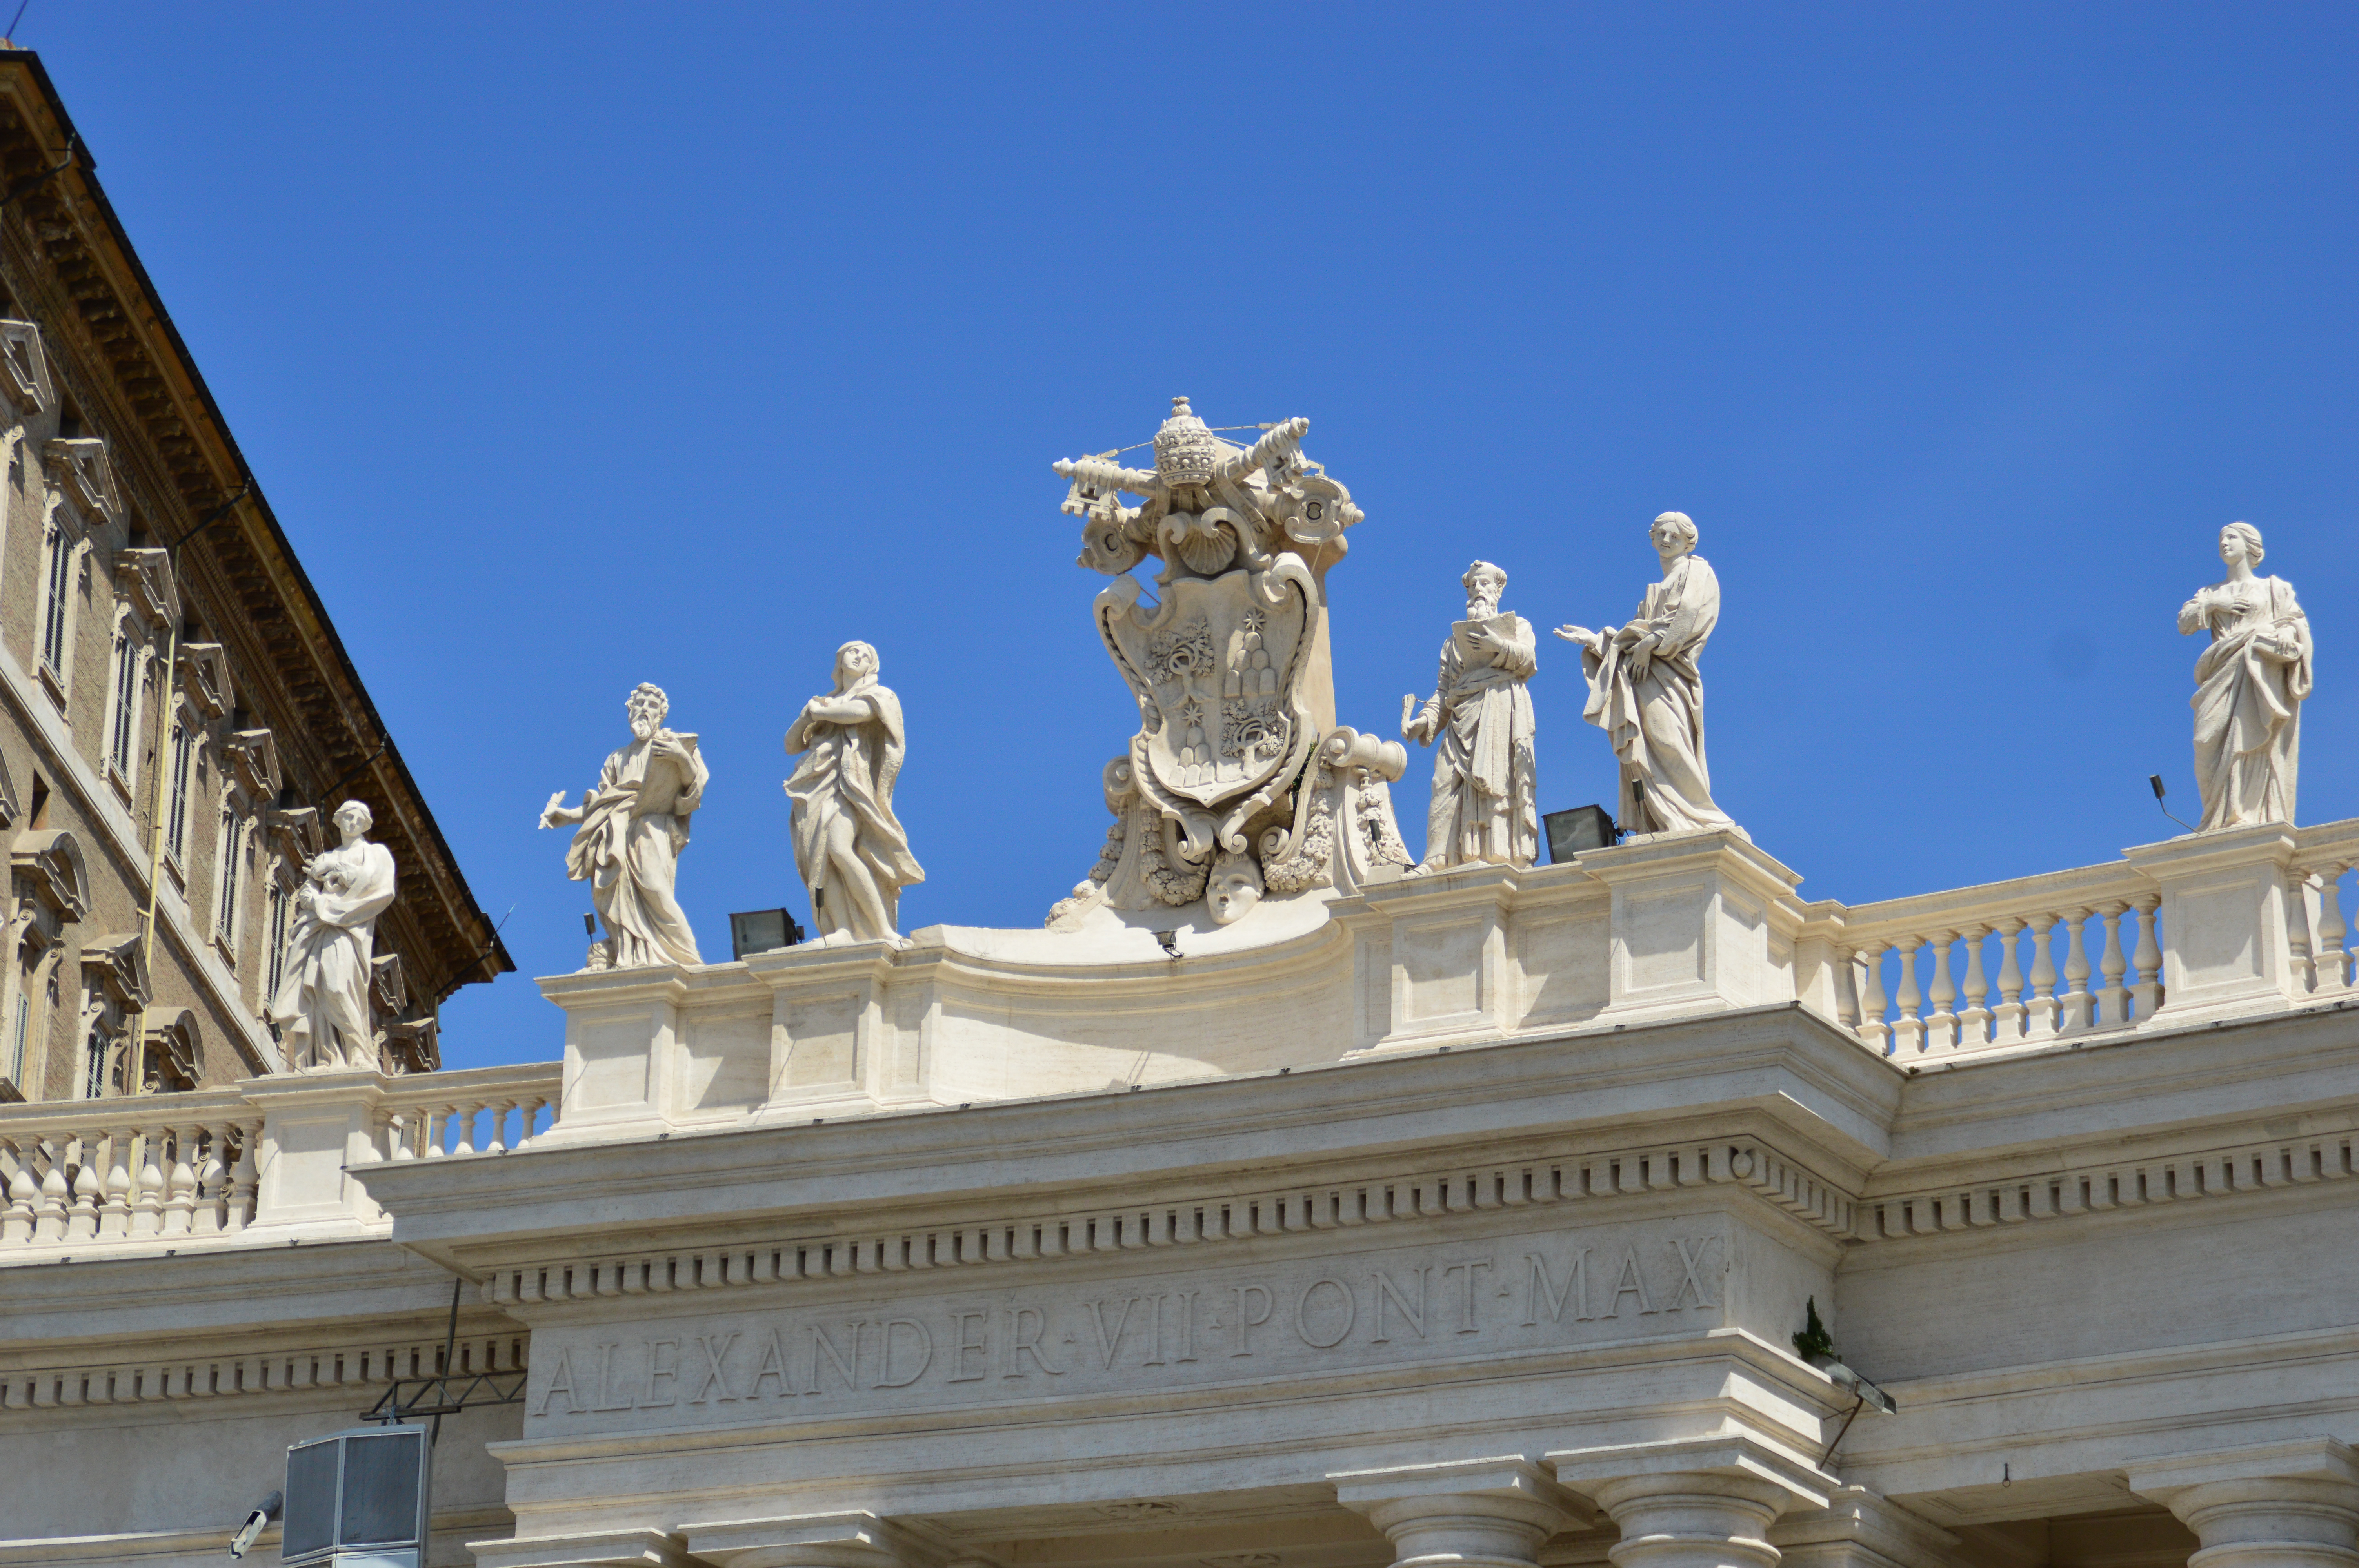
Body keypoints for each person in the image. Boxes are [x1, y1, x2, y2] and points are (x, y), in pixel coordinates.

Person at [1555, 512, 1742, 838]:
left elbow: (1689, 618)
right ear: (1653, 539)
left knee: (1669, 740)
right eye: (1661, 535)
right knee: (1648, 745)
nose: (1667, 541)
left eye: (1674, 536)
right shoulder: (1654, 590)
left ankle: (1702, 817)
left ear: (1688, 541)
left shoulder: (1697, 571)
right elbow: (1632, 638)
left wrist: (1650, 644)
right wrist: (1596, 640)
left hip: (1671, 675)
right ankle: (1664, 820)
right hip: (1644, 677)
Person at [539, 682, 708, 968]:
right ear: (630, 712)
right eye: (639, 704)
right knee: (615, 896)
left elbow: (693, 791)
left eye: (652, 706)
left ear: (662, 715)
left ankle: (687, 958)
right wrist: (566, 816)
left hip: (653, 830)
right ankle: (629, 954)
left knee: (656, 891)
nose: (645, 710)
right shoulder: (617, 758)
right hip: (617, 834)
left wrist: (680, 758)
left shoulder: (674, 744)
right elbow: (602, 805)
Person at [785, 641, 925, 946]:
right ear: (839, 661)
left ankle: (882, 929)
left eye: (867, 656)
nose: (859, 656)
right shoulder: (823, 703)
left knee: (838, 847)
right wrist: (807, 717)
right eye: (853, 651)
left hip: (851, 785)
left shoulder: (878, 695)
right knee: (821, 859)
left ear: (871, 667)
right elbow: (791, 745)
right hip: (816, 787)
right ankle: (842, 930)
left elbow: (860, 713)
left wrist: (821, 711)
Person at [1401, 560, 1538, 869]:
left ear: (1498, 590)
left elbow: (1528, 661)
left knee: (1498, 780)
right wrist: (1423, 722)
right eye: (1474, 584)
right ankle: (1437, 858)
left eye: (1485, 584)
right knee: (1443, 781)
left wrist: (1497, 645)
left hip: (1499, 709)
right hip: (1461, 714)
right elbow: (1442, 691)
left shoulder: (1519, 627)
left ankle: (1497, 852)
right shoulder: (1453, 643)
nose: (1479, 590)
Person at [2178, 522, 2310, 831]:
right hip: (2220, 671)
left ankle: (2244, 813)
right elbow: (2185, 624)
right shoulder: (2211, 592)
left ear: (2251, 546)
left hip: (2258, 671)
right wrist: (2214, 604)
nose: (2224, 543)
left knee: (2250, 735)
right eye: (2221, 539)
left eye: (2231, 538)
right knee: (2205, 740)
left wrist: (2285, 635)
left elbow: (2294, 623)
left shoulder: (2274, 588)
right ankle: (2216, 816)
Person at [269, 799, 397, 1070]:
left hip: (349, 929)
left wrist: (339, 876)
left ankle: (360, 1051)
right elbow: (307, 892)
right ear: (339, 821)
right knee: (318, 988)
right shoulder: (326, 858)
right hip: (320, 927)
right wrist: (312, 896)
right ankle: (329, 1056)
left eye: (358, 819)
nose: (352, 823)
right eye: (347, 817)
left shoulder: (375, 854)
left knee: (338, 986)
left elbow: (378, 886)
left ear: (365, 824)